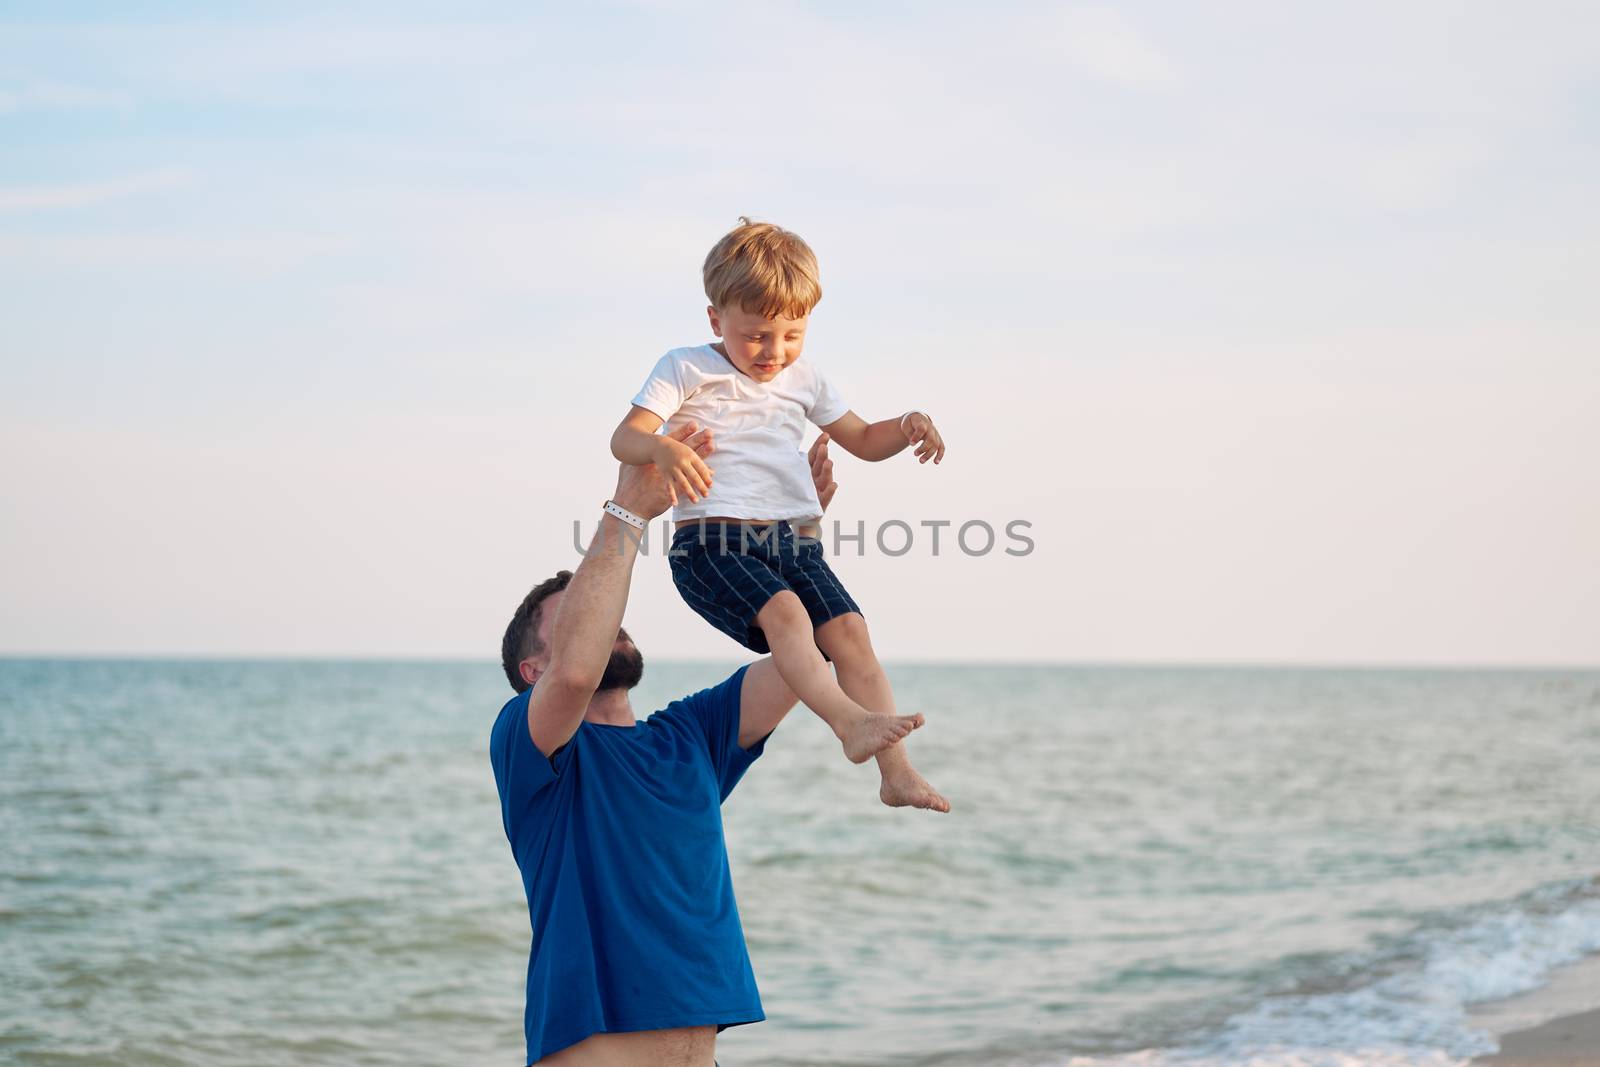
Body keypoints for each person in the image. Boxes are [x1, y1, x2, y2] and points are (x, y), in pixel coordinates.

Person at [490, 423, 857, 1066]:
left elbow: (812, 652)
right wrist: (629, 509)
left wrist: (794, 535)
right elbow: (575, 672)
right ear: (530, 672)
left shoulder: (690, 736)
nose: (612, 621)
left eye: (609, 612)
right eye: (583, 614)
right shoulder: (530, 744)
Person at [609, 216, 950, 814]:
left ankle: (895, 773)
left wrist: (907, 425)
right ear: (717, 320)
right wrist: (663, 445)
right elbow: (625, 437)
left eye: (792, 334)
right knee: (788, 615)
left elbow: (865, 440)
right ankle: (848, 725)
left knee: (849, 633)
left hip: (794, 543)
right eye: (758, 335)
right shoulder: (687, 366)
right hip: (712, 544)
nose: (775, 351)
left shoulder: (806, 378)